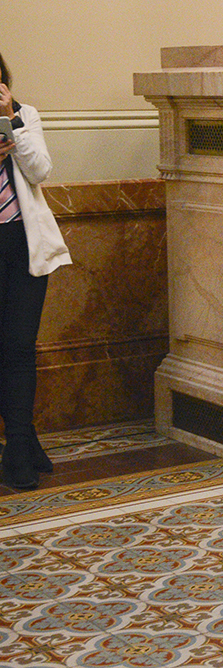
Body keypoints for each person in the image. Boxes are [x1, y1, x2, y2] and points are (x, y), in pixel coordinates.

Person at [0, 52, 72, 491]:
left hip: (22, 246)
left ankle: (19, 445)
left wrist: (12, 121)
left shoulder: (24, 115)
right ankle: (24, 441)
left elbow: (40, 170)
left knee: (19, 347)